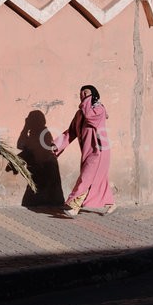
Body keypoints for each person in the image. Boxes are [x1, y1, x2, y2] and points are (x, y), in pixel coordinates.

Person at [52, 84, 115, 217]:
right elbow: (71, 132)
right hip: (87, 151)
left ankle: (74, 207)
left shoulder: (99, 109)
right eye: (81, 94)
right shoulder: (80, 114)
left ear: (93, 94)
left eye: (86, 94)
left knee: (86, 177)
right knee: (98, 179)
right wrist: (57, 145)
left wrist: (88, 99)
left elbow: (90, 117)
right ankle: (111, 203)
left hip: (99, 151)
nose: (83, 96)